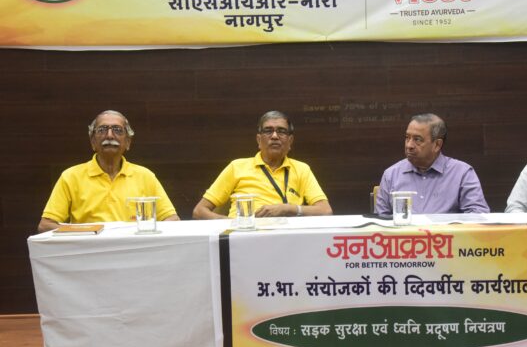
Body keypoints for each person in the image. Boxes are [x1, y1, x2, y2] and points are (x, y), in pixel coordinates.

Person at [37, 110, 180, 233]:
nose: (110, 135)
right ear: (93, 141)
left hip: (133, 251)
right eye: (102, 130)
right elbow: (45, 225)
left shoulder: (145, 176)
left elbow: (172, 220)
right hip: (89, 251)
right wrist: (88, 233)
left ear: (128, 142)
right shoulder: (71, 177)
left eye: (117, 130)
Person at [192, 110, 332, 219]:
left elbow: (325, 211)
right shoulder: (237, 167)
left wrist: (287, 208)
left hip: (287, 237)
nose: (275, 136)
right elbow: (199, 211)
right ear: (259, 140)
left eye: (281, 131)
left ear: (290, 141)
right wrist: (233, 223)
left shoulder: (302, 169)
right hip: (244, 235)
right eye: (268, 131)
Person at [375, 113, 489, 216]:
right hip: (405, 233)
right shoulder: (391, 175)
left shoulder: (462, 173)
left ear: (437, 145)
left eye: (417, 139)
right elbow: (379, 221)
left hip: (446, 233)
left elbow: (478, 216)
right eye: (407, 138)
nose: (409, 145)